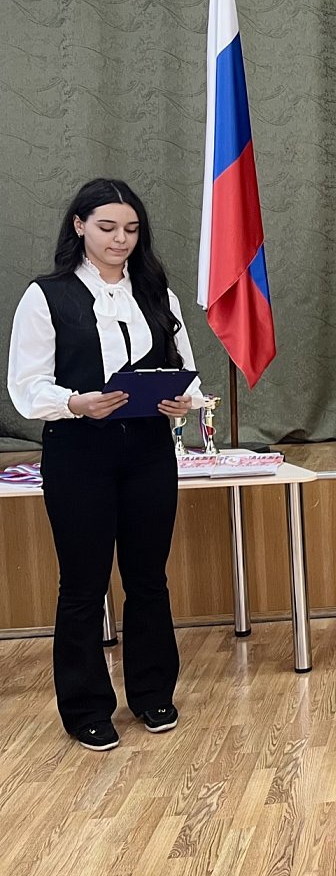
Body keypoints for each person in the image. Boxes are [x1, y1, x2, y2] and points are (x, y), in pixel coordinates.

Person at [6, 178, 205, 751]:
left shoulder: (155, 292)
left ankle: (152, 692)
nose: (121, 239)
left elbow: (183, 368)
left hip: (147, 450)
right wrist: (76, 403)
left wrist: (180, 400)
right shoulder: (47, 295)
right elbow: (26, 385)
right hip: (79, 452)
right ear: (79, 226)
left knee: (148, 578)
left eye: (132, 229)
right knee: (82, 583)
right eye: (108, 227)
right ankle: (86, 706)